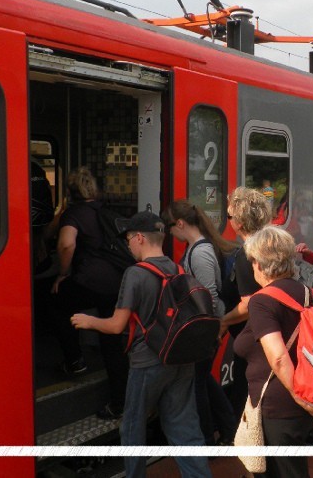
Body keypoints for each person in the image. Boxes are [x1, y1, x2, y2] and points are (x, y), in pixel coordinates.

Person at [70, 211, 212, 478]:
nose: (127, 245)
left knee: (133, 428)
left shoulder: (135, 274)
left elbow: (116, 325)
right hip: (180, 357)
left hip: (148, 361)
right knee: (185, 428)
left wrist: (88, 321)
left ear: (139, 239)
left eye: (128, 239)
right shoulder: (177, 267)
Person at [232, 226, 313, 477]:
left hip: (280, 407)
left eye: (253, 262)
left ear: (261, 265)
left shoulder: (262, 301)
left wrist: (300, 398)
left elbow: (277, 357)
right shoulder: (308, 292)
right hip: (300, 402)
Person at [49, 167, 128, 419]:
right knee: (111, 341)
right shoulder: (104, 212)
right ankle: (120, 402)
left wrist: (62, 274)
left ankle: (75, 360)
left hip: (89, 282)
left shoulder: (73, 214)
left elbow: (66, 243)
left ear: (70, 192)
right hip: (117, 283)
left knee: (55, 303)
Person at [162, 200, 237, 446]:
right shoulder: (199, 248)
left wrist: (212, 330)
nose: (170, 233)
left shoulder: (200, 252)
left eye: (170, 227)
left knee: (198, 385)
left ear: (180, 224)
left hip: (206, 330)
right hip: (207, 328)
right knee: (204, 380)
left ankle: (208, 439)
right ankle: (229, 428)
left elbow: (210, 296)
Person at [219, 187, 273, 417]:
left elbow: (249, 302)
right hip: (268, 333)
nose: (228, 220)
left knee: (246, 390)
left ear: (239, 223)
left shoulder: (246, 254)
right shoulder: (271, 244)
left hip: (252, 338)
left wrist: (223, 321)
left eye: (229, 217)